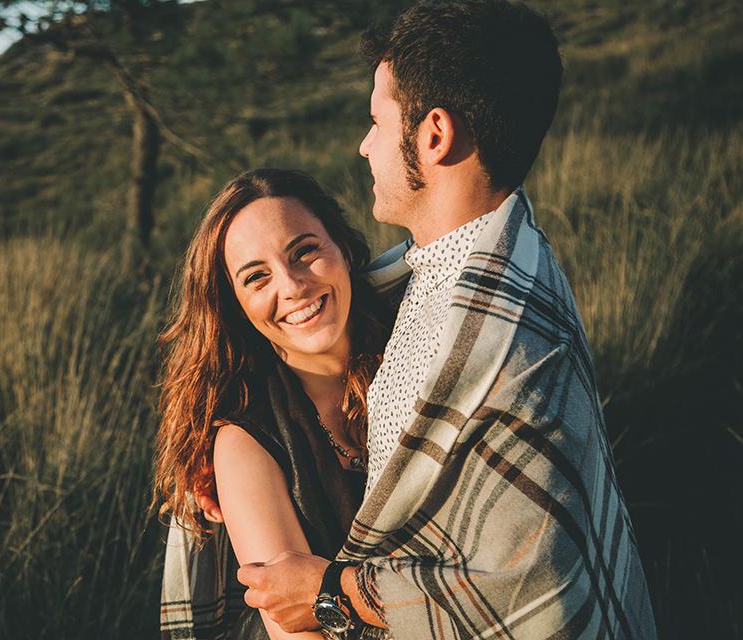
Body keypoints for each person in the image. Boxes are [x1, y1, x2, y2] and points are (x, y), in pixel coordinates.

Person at [203, 1, 658, 639]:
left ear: (434, 135)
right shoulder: (494, 257)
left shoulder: (483, 339)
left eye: (376, 122)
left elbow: (532, 592)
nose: (364, 146)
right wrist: (227, 453)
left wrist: (332, 590)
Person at [155, 168, 404, 639]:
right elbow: (296, 631)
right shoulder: (246, 442)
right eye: (256, 277)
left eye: (305, 251)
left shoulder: (424, 340)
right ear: (236, 306)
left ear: (343, 248)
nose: (291, 286)